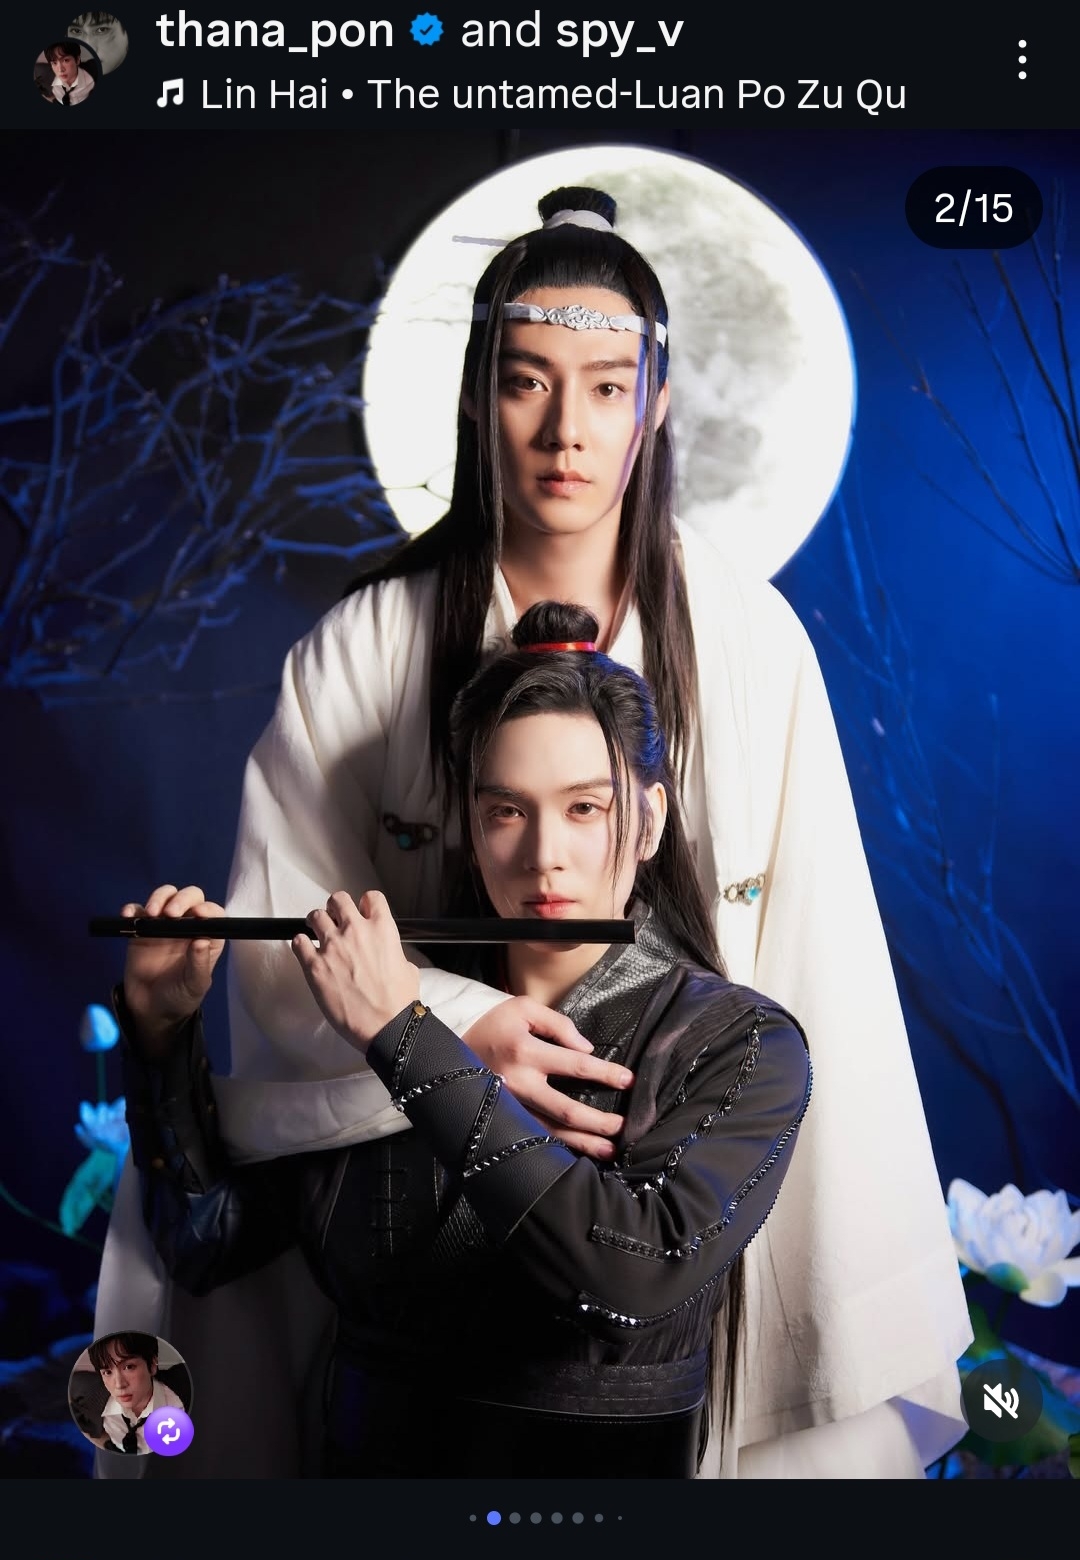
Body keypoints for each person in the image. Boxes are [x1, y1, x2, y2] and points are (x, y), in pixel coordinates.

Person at [97, 182, 970, 1479]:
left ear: (656, 403)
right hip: (402, 1168)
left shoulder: (753, 643)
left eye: (608, 387)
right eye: (526, 382)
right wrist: (454, 1025)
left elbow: (813, 957)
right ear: (475, 395)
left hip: (667, 1178)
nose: (567, 431)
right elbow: (291, 959)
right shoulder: (365, 647)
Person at [115, 605, 811, 1476]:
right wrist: (162, 1030)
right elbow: (204, 1241)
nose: (544, 854)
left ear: (649, 819)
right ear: (471, 828)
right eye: (506, 811)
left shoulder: (742, 1043)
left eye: (585, 808)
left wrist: (407, 1037)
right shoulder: (371, 1010)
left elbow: (631, 1275)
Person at [88, 1331, 184, 1455]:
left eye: (129, 1367)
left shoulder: (177, 1409)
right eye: (107, 1372)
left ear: (152, 1365)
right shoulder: (101, 1409)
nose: (119, 1385)